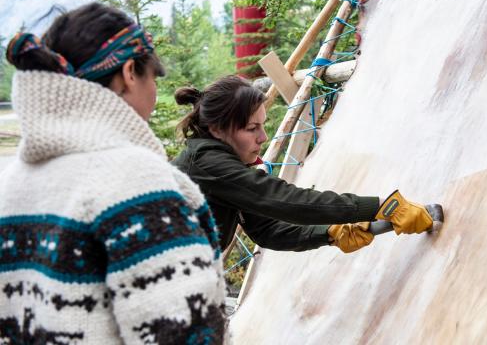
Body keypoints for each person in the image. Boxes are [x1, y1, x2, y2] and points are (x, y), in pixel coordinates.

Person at [0, 3, 226, 344]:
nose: (154, 94)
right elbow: (181, 331)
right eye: (154, 77)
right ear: (130, 72)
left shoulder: (13, 181)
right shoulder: (134, 180)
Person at [171, 75, 444, 255]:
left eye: (262, 126)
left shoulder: (218, 165)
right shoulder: (207, 163)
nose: (263, 137)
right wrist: (381, 206)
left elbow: (267, 230)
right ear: (217, 129)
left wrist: (330, 232)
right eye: (252, 128)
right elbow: (284, 199)